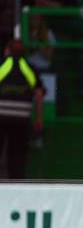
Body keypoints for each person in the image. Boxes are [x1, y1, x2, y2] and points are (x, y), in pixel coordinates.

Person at [0, 39, 45, 179]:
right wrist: (39, 118)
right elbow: (39, 95)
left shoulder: (2, 66)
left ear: (7, 51)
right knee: (18, 153)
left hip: (1, 117)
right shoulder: (30, 69)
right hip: (22, 119)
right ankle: (17, 182)